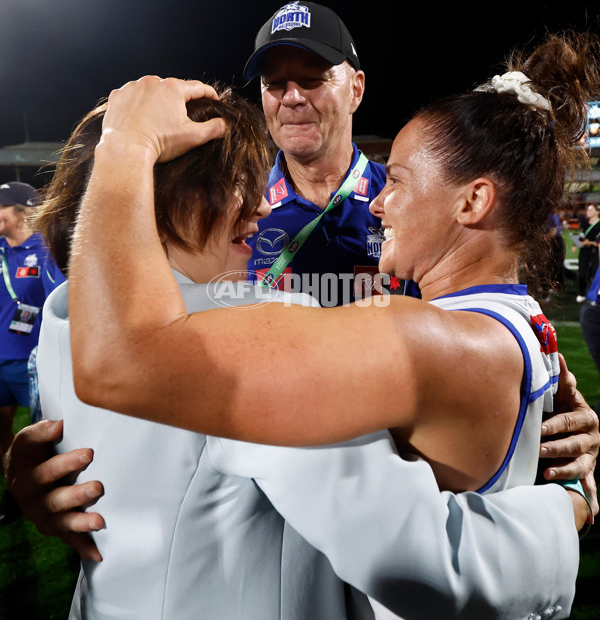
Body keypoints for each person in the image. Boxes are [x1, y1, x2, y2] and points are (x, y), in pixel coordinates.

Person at [5, 78, 597, 619]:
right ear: (170, 192)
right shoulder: (250, 333)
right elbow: (426, 560)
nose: (261, 207)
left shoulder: (69, 317)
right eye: (235, 183)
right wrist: (567, 507)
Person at [243, 0, 417, 305]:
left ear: (356, 90)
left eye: (312, 80)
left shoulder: (408, 201)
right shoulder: (235, 208)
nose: (292, 97)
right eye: (273, 83)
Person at [0, 181, 47, 454]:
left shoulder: (47, 249)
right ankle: (11, 481)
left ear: (24, 212)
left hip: (34, 359)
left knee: (44, 430)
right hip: (1, 359)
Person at [576, 202, 600, 301]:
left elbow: (598, 242)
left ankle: (594, 294)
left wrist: (589, 243)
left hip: (595, 252)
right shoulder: (585, 222)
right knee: (582, 273)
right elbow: (582, 235)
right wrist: (576, 243)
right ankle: (582, 292)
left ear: (597, 212)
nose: (588, 212)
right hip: (584, 251)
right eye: (587, 210)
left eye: (591, 210)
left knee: (594, 273)